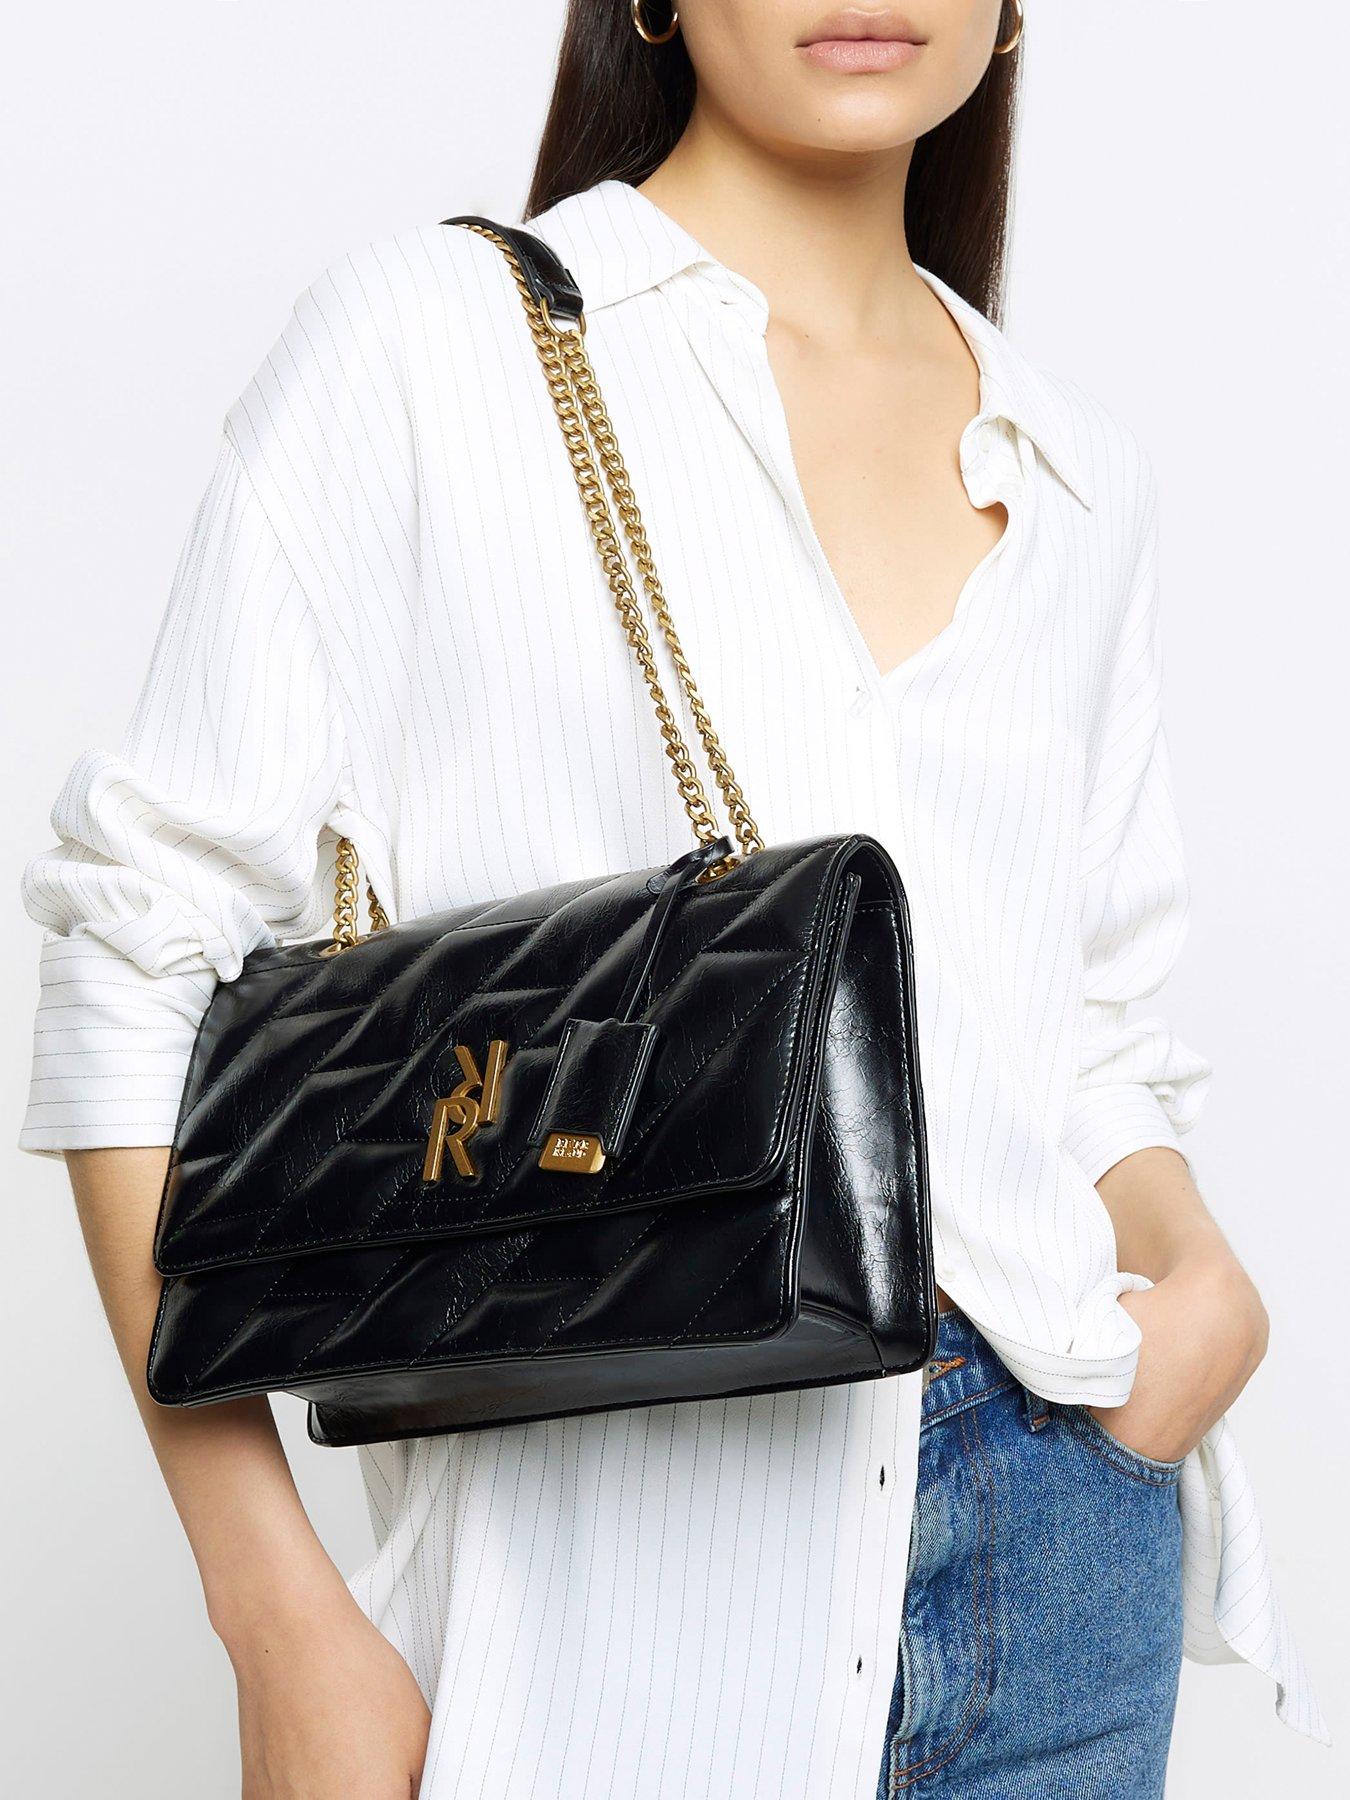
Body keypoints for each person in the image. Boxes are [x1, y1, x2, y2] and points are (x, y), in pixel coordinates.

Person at [19, 3, 1324, 1796]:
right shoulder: (429, 345)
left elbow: (1083, 1025)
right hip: (606, 1599)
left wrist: (1199, 1288)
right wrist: (278, 1620)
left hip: (1061, 1551)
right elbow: (132, 950)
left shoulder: (1077, 471)